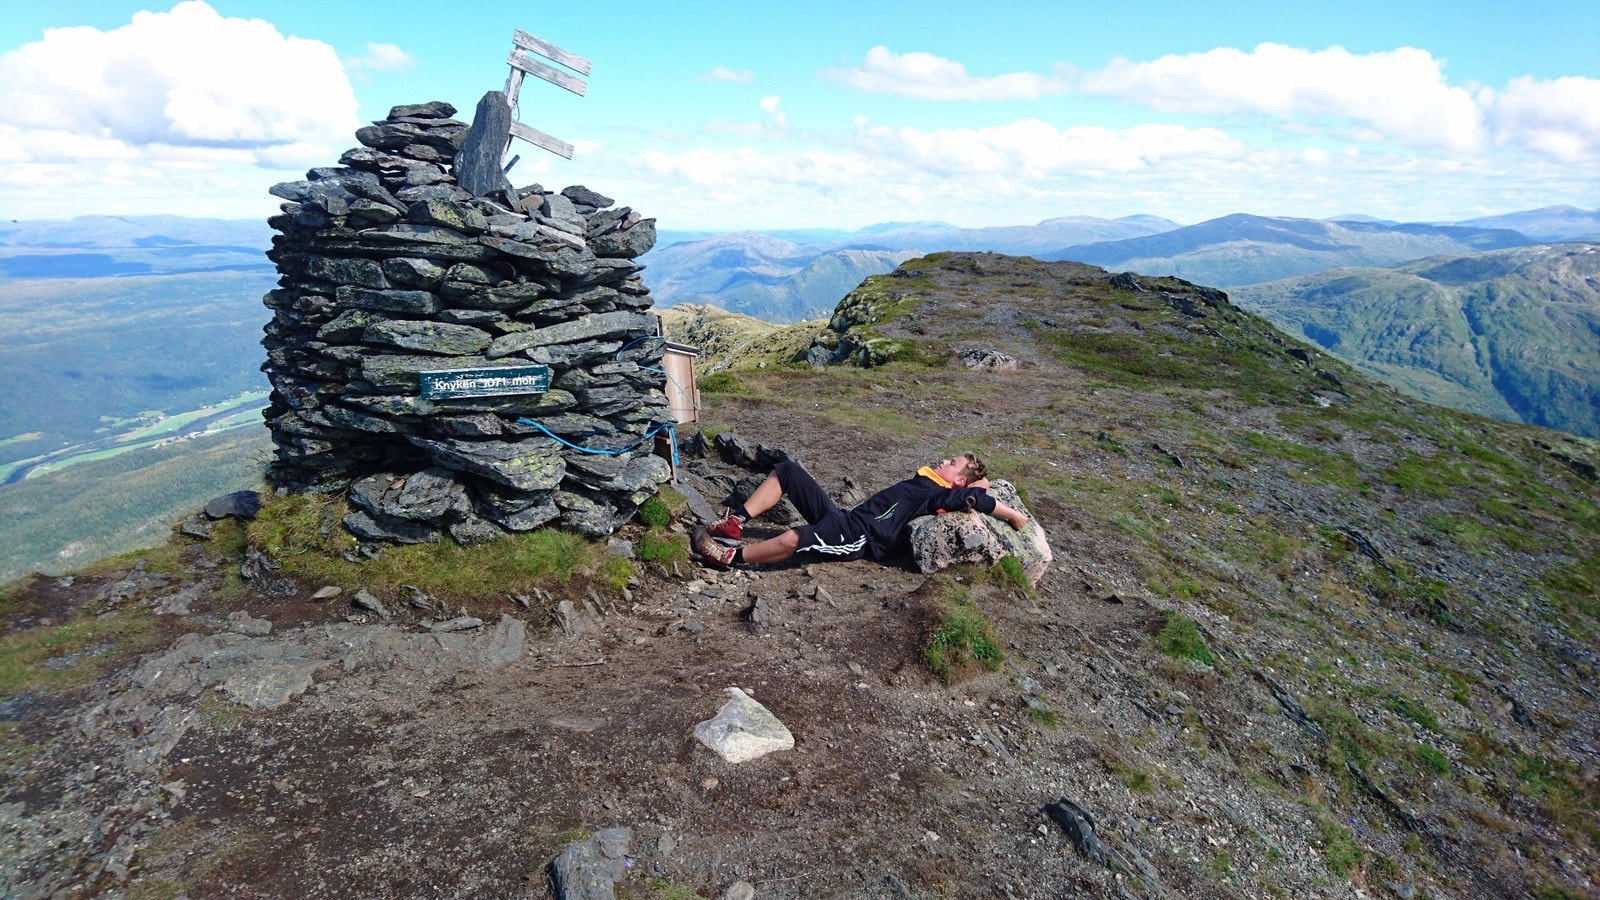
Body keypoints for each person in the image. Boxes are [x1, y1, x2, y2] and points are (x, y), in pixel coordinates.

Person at [691, 453, 1027, 570]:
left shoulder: (944, 495)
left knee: (797, 537)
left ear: (960, 480)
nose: (944, 461)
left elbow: (980, 499)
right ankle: (735, 523)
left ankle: (730, 558)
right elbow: (977, 486)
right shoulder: (928, 480)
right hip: (843, 516)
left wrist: (1014, 515)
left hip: (857, 536)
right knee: (790, 470)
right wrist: (978, 480)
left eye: (952, 463)